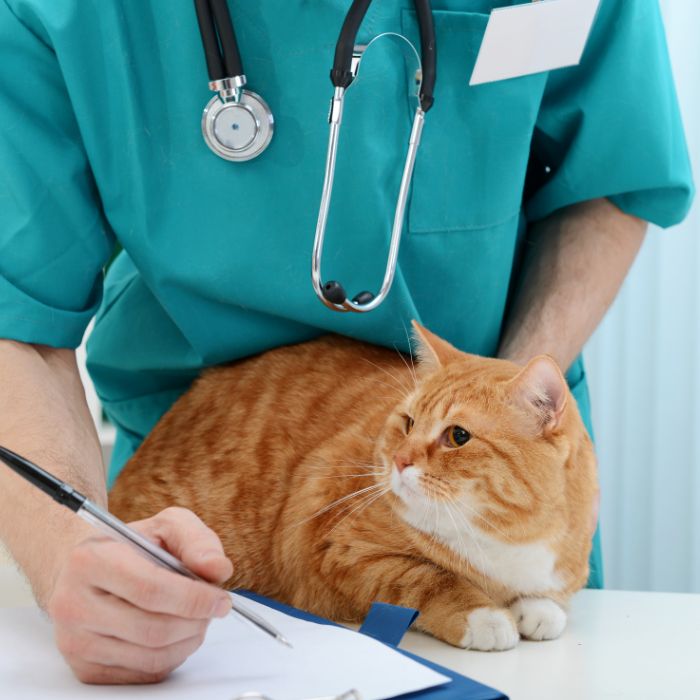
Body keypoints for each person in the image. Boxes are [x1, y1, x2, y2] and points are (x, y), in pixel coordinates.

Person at [0, 0, 693, 685]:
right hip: (205, 495)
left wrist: (504, 407)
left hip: (488, 463)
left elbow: (611, 172)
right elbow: (16, 315)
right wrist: (67, 548)